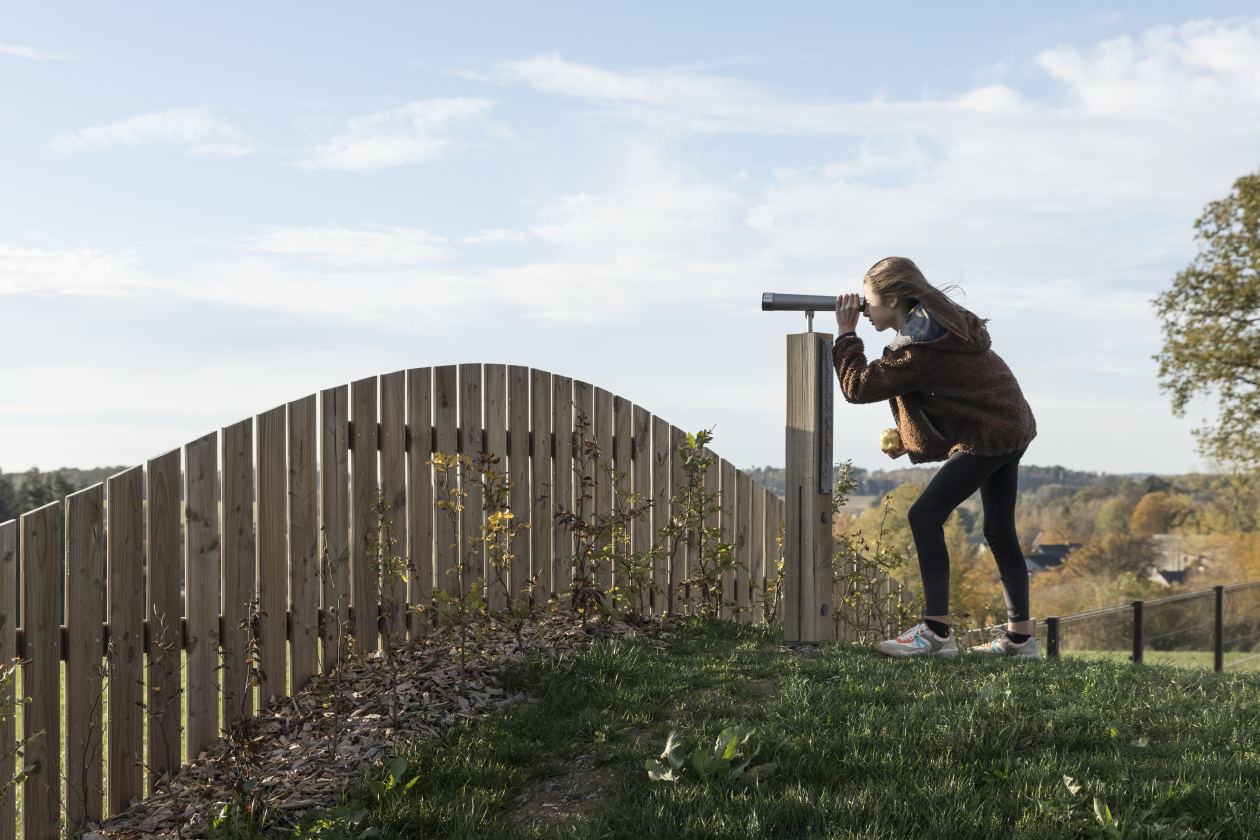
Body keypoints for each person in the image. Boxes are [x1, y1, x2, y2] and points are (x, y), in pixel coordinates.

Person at [833, 257, 1039, 659]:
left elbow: (859, 386)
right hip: (1010, 426)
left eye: (869, 304)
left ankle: (936, 632)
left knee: (923, 515)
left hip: (991, 433)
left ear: (892, 299)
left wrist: (846, 335)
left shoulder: (919, 344)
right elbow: (958, 395)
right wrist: (914, 441)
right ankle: (1020, 640)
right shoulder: (941, 325)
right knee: (998, 532)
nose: (865, 312)